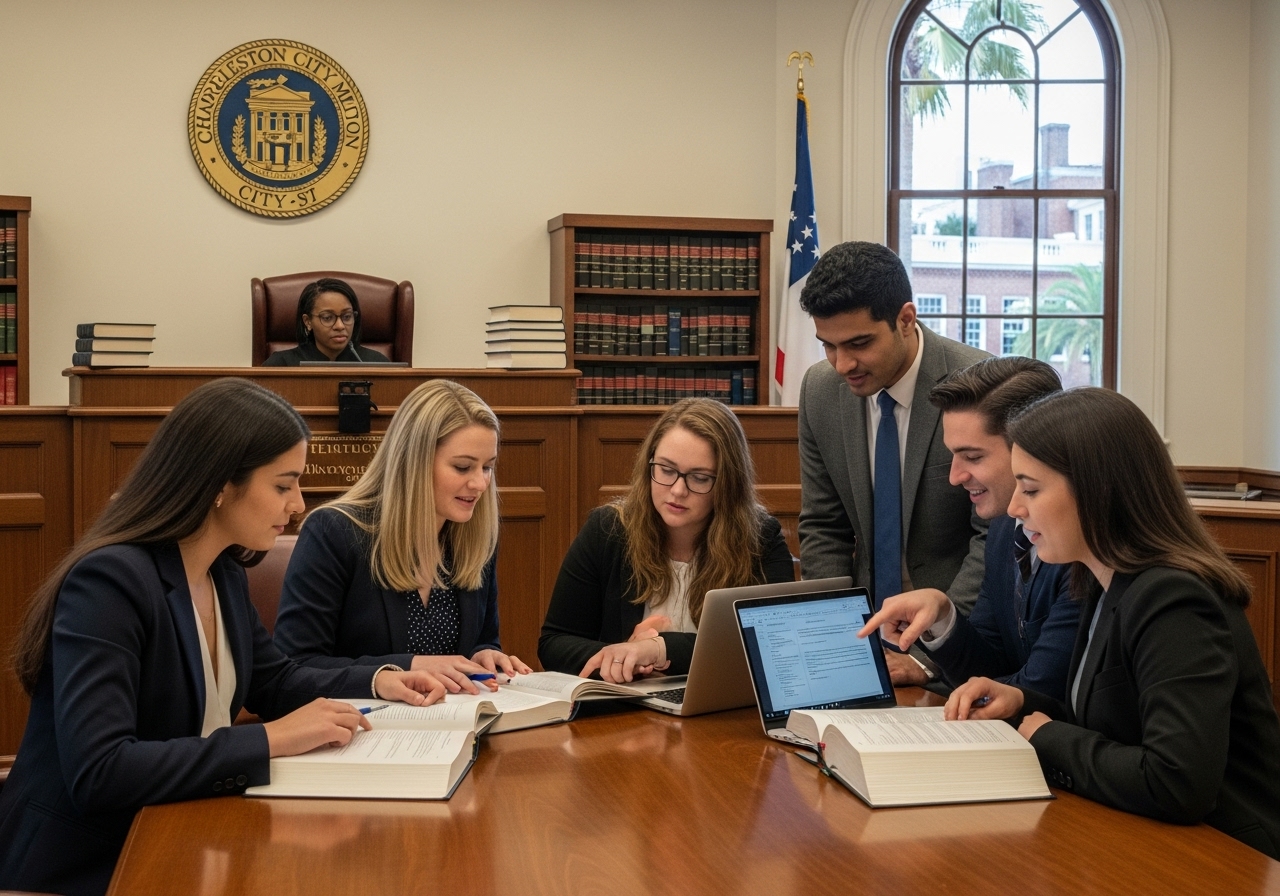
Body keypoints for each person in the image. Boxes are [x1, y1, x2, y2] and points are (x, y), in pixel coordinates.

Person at [0, 379, 445, 896]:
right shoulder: (110, 583)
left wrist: (383, 680)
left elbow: (275, 681)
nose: (299, 504)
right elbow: (102, 771)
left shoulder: (223, 574)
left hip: (185, 837)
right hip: (90, 864)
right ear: (218, 483)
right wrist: (270, 739)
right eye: (283, 485)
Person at [946, 388, 1280, 859]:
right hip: (1144, 839)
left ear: (1096, 491)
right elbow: (1112, 722)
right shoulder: (1102, 578)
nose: (1017, 508)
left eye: (1033, 488)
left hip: (1225, 857)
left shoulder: (1173, 598)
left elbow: (1177, 781)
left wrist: (1048, 737)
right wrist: (1022, 703)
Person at [274, 380, 529, 692]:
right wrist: (408, 665)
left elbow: (481, 639)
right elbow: (296, 665)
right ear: (414, 462)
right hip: (362, 729)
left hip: (453, 724)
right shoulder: (333, 532)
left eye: (487, 467)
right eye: (463, 467)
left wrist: (484, 654)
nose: (479, 484)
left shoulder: (476, 536)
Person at [858, 357, 1079, 697]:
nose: (954, 477)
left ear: (1035, 449)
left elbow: (1040, 690)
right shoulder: (1006, 530)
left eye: (973, 457)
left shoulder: (1081, 550)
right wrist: (943, 618)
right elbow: (989, 670)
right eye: (953, 457)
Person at [797, 241, 990, 619]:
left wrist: (936, 642)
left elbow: (992, 539)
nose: (842, 364)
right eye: (829, 346)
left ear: (905, 320)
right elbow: (824, 527)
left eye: (859, 343)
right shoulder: (819, 391)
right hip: (862, 631)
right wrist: (836, 634)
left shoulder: (981, 386)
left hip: (959, 632)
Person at [539, 397, 794, 682]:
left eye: (699, 477)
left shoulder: (760, 539)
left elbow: (775, 643)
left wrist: (658, 649)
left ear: (727, 484)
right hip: (626, 713)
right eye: (666, 470)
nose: (677, 490)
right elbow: (554, 643)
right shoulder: (608, 530)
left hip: (720, 713)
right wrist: (626, 657)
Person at [262, 277, 393, 365]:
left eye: (346, 316)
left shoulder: (376, 364)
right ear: (308, 321)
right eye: (328, 318)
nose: (340, 326)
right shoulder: (281, 365)